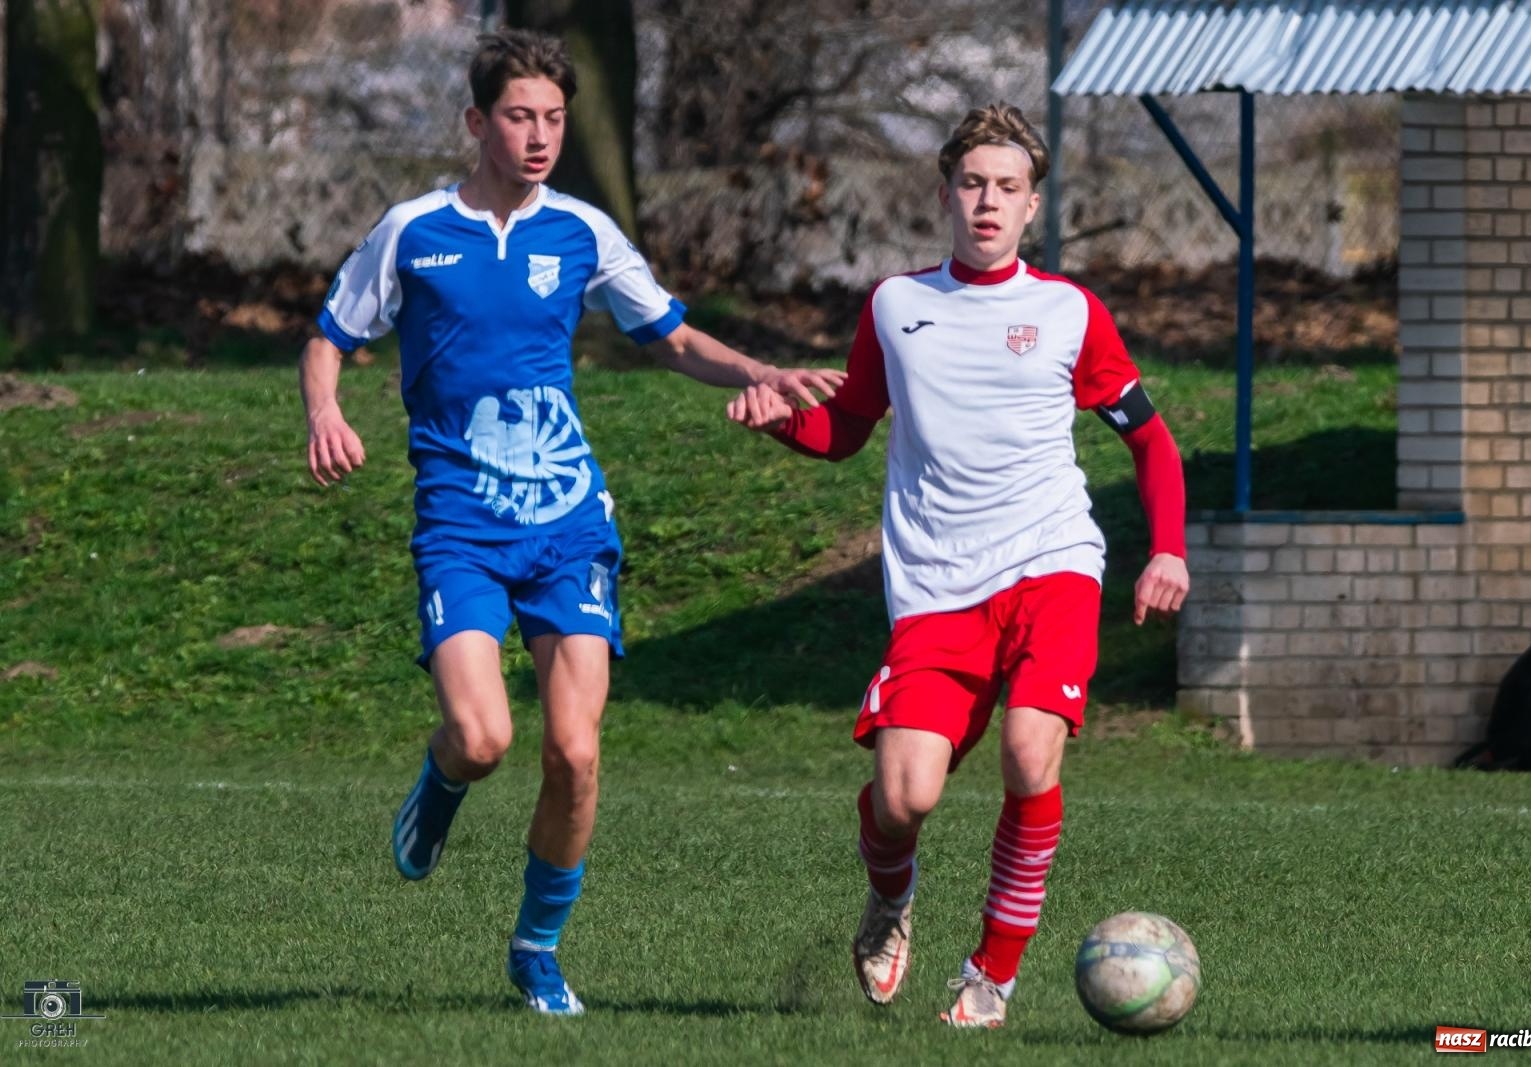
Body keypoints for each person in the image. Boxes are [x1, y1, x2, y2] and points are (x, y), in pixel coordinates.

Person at [299, 29, 842, 1016]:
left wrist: (764, 372)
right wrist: (326, 411)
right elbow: (331, 336)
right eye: (520, 116)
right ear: (476, 123)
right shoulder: (414, 229)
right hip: (460, 521)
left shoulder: (582, 232)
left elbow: (670, 335)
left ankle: (536, 948)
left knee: (577, 752)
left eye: (553, 117)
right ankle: (440, 785)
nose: (541, 135)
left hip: (566, 522)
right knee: (479, 733)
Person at [727, 103, 1189, 1028]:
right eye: (972, 183)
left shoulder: (1069, 312)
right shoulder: (898, 307)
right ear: (946, 194)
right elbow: (847, 428)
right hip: (937, 589)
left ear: (1031, 207)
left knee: (1029, 752)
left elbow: (1150, 438)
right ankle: (890, 899)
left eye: (1007, 187)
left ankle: (990, 974)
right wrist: (783, 420)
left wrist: (1168, 547)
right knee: (903, 799)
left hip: (1051, 564)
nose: (987, 201)